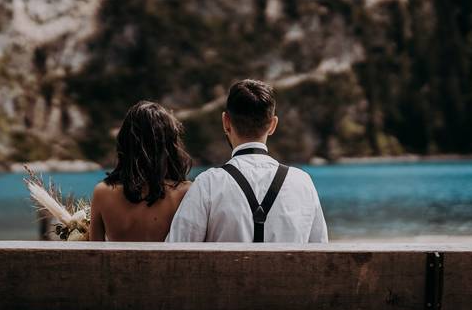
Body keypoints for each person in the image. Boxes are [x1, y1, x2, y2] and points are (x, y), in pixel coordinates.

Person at [166, 79, 328, 243]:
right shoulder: (302, 183)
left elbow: (176, 249)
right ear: (272, 125)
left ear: (226, 122)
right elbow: (321, 250)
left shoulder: (207, 184)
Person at [89, 100, 192, 241]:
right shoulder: (185, 193)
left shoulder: (102, 193)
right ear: (169, 146)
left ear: (124, 144)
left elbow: (93, 254)